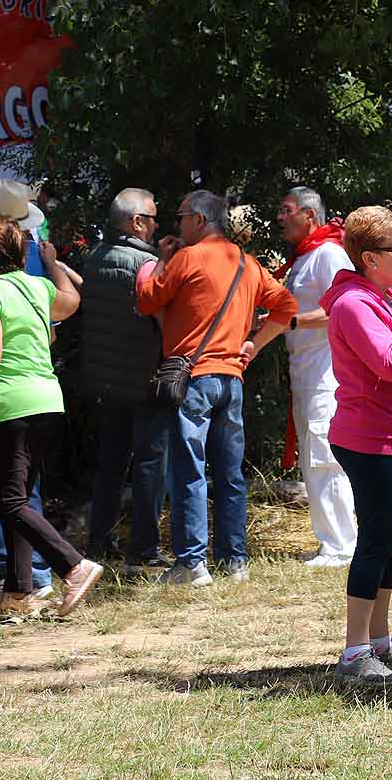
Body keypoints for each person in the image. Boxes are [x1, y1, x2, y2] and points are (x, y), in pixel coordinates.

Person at [0, 218, 104, 619]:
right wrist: (53, 263)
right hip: (47, 401)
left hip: (12, 408)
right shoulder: (38, 287)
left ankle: (73, 566)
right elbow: (72, 299)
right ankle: (18, 591)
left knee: (7, 501)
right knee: (19, 499)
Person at [137, 190, 297, 587]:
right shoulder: (246, 261)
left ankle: (191, 563)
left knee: (188, 470)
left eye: (181, 217)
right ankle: (234, 559)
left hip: (193, 379)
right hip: (232, 379)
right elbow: (286, 307)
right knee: (230, 473)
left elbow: (146, 299)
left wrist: (161, 258)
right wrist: (252, 347)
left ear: (198, 220)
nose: (177, 225)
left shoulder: (186, 258)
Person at [320, 206, 392, 688]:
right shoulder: (354, 304)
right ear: (368, 258)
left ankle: (379, 640)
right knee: (375, 540)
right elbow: (390, 364)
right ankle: (354, 650)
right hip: (368, 438)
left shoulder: (382, 296)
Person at [79, 188, 170, 574]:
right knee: (150, 463)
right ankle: (144, 547)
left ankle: (99, 539)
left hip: (105, 379)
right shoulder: (146, 264)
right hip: (144, 377)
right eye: (151, 219)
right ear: (136, 222)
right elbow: (160, 321)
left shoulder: (93, 259)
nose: (154, 226)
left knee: (111, 464)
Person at [276, 186, 357, 568]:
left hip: (326, 372)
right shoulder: (305, 257)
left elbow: (343, 307)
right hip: (304, 369)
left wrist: (290, 321)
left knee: (325, 456)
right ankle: (330, 540)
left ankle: (342, 545)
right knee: (314, 456)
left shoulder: (328, 254)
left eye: (286, 210)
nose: (280, 217)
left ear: (309, 215)